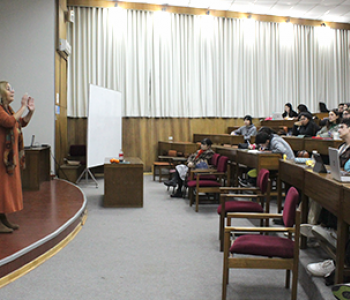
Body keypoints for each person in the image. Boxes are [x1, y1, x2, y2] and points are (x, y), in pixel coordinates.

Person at [0, 81, 35, 233]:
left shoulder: (8, 110)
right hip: (1, 158)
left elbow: (20, 123)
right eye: (8, 89)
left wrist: (30, 112)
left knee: (5, 189)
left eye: (12, 88)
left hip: (8, 158)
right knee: (1, 188)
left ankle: (3, 218)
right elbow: (9, 122)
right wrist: (22, 106)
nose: (12, 91)